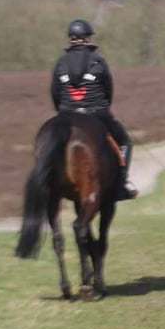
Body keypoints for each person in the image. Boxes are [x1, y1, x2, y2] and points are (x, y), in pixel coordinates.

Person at [51, 19, 138, 201]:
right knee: (125, 142)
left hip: (67, 114)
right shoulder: (98, 60)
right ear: (88, 38)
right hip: (96, 112)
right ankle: (121, 184)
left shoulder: (61, 63)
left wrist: (63, 112)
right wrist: (103, 110)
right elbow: (108, 90)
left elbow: (55, 92)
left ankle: (48, 183)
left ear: (70, 38)